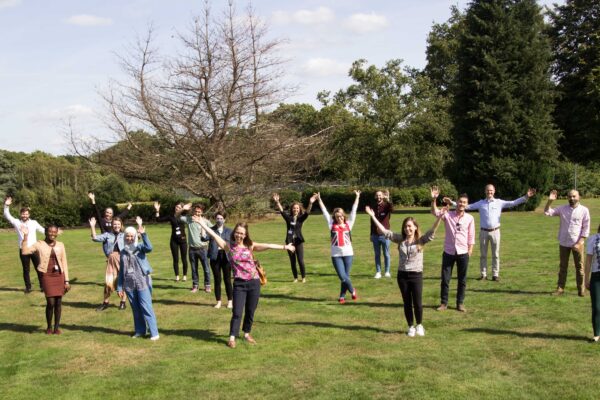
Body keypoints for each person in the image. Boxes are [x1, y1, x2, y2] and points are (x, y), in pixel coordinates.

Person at [194, 216, 295, 348]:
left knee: (250, 310)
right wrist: (202, 224)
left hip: (254, 282)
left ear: (245, 234)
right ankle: (232, 337)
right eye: (237, 232)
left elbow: (268, 245)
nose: (239, 235)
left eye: (242, 233)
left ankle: (247, 333)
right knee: (237, 312)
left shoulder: (249, 245)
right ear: (233, 233)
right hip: (239, 284)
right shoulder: (228, 246)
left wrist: (285, 247)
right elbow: (213, 235)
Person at [366, 205, 446, 336]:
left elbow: (431, 232)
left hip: (416, 275)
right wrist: (373, 216)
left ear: (415, 227)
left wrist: (439, 217)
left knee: (418, 302)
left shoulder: (421, 240)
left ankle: (419, 325)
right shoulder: (400, 239)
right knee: (407, 302)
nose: (408, 228)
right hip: (402, 276)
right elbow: (385, 232)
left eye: (410, 226)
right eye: (405, 226)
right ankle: (410, 326)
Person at [444, 185, 536, 281]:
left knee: (495, 254)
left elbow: (513, 203)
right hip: (483, 232)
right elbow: (466, 206)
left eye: (491, 190)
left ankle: (495, 274)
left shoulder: (499, 202)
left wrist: (526, 197)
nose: (489, 192)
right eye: (488, 190)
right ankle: (483, 274)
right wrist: (451, 202)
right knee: (483, 254)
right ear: (485, 191)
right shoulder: (480, 203)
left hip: (495, 232)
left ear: (494, 191)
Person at [431, 186, 475, 312]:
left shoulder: (470, 218)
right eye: (460, 201)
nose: (462, 204)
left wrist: (470, 250)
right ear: (457, 202)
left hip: (463, 252)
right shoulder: (448, 215)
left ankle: (460, 303)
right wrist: (434, 199)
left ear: (467, 205)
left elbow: (471, 236)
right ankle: (443, 303)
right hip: (449, 252)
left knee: (462, 280)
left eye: (464, 202)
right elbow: (435, 212)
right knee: (445, 279)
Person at [20, 224, 70, 334]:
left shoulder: (61, 245)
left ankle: (56, 328)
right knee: (50, 302)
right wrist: (25, 237)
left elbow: (64, 262)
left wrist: (67, 280)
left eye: (54, 232)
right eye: (50, 231)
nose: (52, 234)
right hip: (46, 276)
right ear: (46, 232)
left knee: (58, 302)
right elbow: (24, 252)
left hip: (59, 276)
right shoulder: (39, 244)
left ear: (57, 233)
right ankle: (49, 327)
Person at [117, 217, 159, 341]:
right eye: (127, 236)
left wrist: (143, 234)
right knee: (136, 309)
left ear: (135, 236)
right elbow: (121, 272)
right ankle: (140, 331)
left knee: (146, 306)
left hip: (142, 281)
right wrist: (119, 287)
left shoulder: (140, 247)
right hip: (129, 284)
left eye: (131, 236)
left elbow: (149, 248)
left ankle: (154, 333)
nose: (129, 238)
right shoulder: (123, 252)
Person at [317, 190, 361, 304]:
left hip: (348, 254)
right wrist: (319, 199)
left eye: (341, 216)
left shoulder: (348, 224)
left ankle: (342, 296)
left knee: (346, 276)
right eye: (337, 216)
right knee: (342, 276)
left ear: (343, 216)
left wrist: (357, 197)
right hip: (336, 254)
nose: (339, 218)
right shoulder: (331, 224)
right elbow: (324, 212)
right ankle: (352, 290)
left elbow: (354, 211)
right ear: (335, 217)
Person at [544, 189, 590, 296]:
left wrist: (580, 242)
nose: (572, 198)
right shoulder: (562, 209)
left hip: (577, 243)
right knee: (563, 267)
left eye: (574, 196)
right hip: (563, 242)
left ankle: (581, 289)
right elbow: (547, 212)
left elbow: (586, 228)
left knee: (580, 267)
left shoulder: (584, 210)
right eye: (570, 197)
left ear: (579, 197)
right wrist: (550, 201)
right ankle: (560, 288)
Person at [272, 193, 318, 283]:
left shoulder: (301, 218)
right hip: (289, 242)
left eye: (297, 208)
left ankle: (303, 277)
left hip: (298, 241)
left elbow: (307, 212)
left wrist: (311, 203)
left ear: (299, 209)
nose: (295, 209)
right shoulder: (288, 218)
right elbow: (282, 211)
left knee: (300, 260)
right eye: (294, 208)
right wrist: (277, 202)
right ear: (292, 209)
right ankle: (295, 278)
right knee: (292, 261)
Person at [3, 196, 45, 293]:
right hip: (23, 249)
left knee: (39, 268)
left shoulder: (34, 223)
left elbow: (42, 230)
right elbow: (7, 215)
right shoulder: (17, 222)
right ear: (20, 214)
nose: (25, 215)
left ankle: (42, 286)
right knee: (26, 270)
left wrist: (53, 233)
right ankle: (28, 287)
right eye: (23, 214)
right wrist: (6, 205)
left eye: (26, 214)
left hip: (34, 249)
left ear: (29, 214)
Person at [90, 217, 127, 311]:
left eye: (118, 224)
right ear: (112, 225)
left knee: (124, 281)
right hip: (111, 260)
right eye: (115, 224)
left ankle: (123, 302)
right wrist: (92, 226)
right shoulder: (107, 235)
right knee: (108, 281)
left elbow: (135, 238)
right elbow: (95, 238)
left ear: (121, 225)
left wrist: (139, 227)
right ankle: (105, 302)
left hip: (123, 259)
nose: (116, 226)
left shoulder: (124, 235)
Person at [177, 203, 212, 293]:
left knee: (206, 269)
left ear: (202, 212)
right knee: (193, 269)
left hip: (203, 248)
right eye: (196, 211)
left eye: (199, 212)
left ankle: (207, 285)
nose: (197, 213)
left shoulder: (206, 221)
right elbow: (177, 215)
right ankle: (195, 286)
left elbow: (213, 231)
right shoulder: (189, 219)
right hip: (192, 249)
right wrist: (183, 209)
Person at [154, 201, 188, 282]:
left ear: (182, 209)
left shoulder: (184, 216)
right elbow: (158, 220)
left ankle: (184, 276)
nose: (177, 208)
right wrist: (157, 210)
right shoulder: (171, 216)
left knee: (184, 258)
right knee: (175, 259)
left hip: (183, 240)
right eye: (176, 207)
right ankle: (177, 276)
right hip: (174, 240)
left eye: (179, 207)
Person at [208, 212, 233, 309]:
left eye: (221, 218)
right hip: (215, 256)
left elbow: (233, 243)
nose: (219, 220)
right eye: (218, 218)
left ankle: (230, 301)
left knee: (227, 280)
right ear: (215, 219)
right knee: (217, 280)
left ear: (224, 220)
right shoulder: (211, 230)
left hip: (226, 256)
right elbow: (203, 238)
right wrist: (202, 229)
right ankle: (218, 301)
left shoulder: (229, 231)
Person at [370, 190, 393, 279]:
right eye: (377, 195)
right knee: (377, 254)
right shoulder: (373, 207)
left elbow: (392, 209)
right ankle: (378, 272)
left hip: (385, 235)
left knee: (386, 254)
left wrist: (388, 199)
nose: (379, 197)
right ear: (375, 197)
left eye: (380, 195)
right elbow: (371, 222)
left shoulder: (387, 205)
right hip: (375, 235)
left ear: (383, 196)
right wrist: (371, 234)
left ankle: (387, 271)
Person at [585, 224, 600, 342]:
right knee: (596, 307)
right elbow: (588, 260)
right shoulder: (593, 239)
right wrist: (586, 278)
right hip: (596, 276)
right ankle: (597, 333)